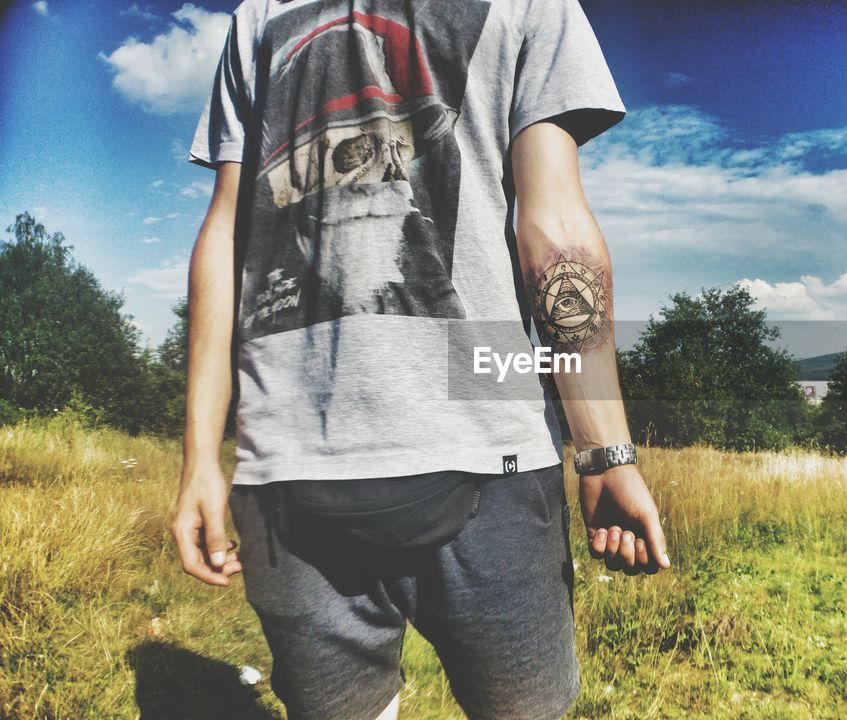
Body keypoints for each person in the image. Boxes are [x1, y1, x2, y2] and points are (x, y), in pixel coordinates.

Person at [170, 1, 669, 718]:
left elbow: (554, 228)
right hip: (308, 454)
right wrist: (198, 459)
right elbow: (227, 228)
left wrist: (604, 450)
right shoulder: (260, 16)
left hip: (446, 440)